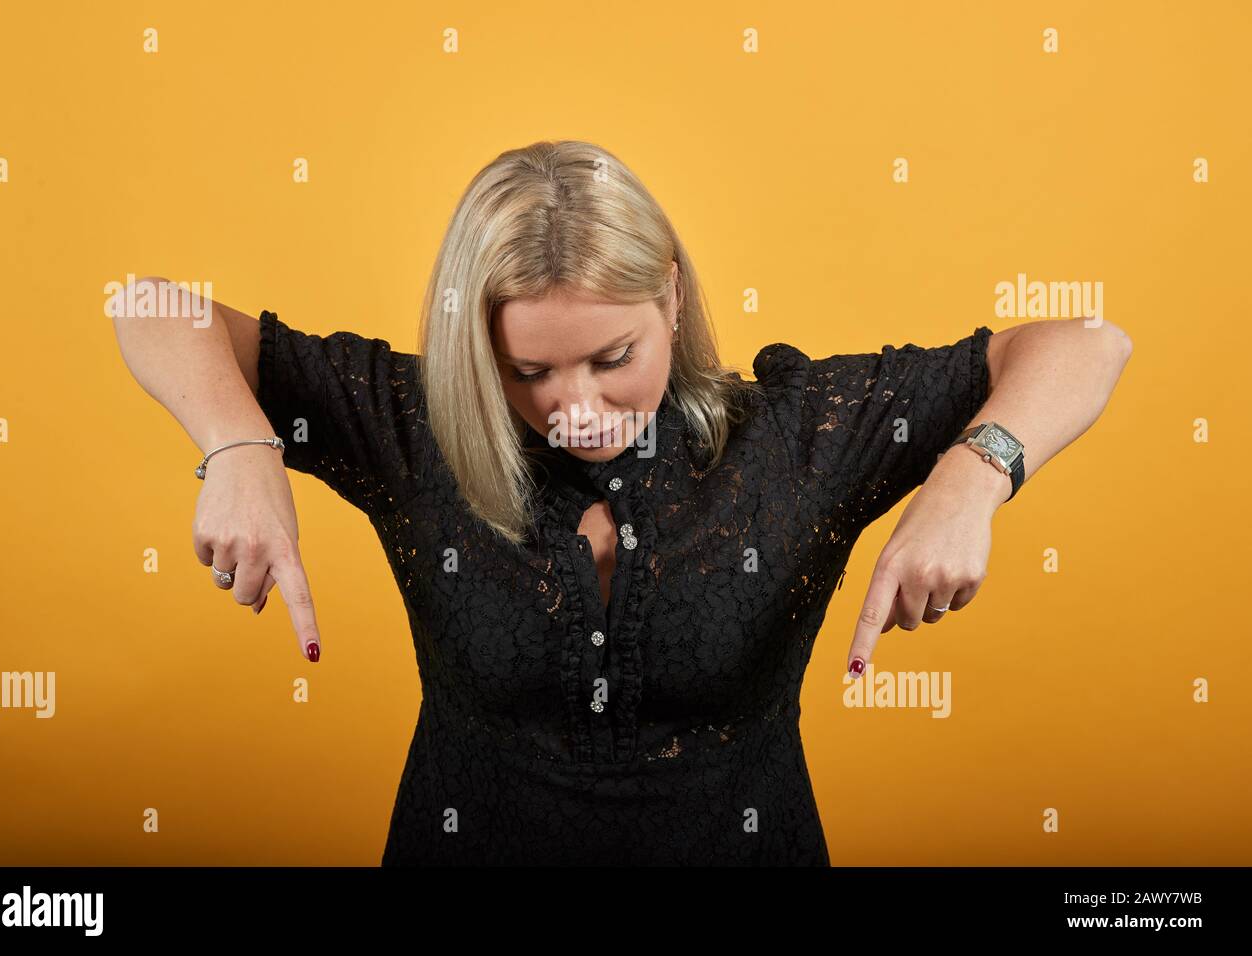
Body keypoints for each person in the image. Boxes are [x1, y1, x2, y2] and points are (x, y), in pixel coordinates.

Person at [113, 139, 1132, 865]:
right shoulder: (411, 423)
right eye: (529, 371)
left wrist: (969, 474)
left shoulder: (793, 433)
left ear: (673, 300)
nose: (579, 407)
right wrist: (240, 444)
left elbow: (1088, 339)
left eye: (613, 358)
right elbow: (145, 303)